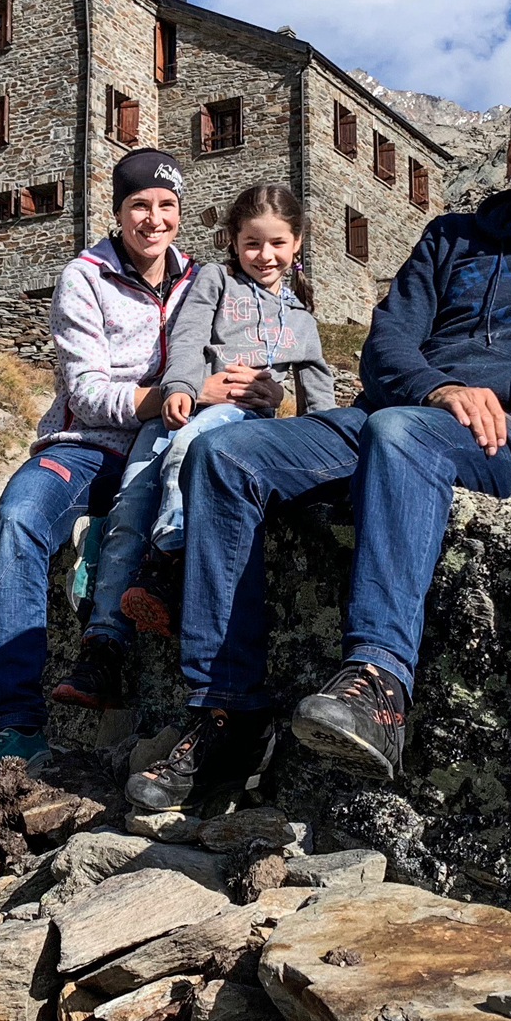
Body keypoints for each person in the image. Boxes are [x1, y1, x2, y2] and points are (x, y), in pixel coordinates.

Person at [125, 77, 511, 812]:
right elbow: (384, 347)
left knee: (396, 429)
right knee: (222, 455)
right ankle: (226, 708)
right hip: (402, 416)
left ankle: (379, 683)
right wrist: (438, 388)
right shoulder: (450, 237)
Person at [49, 183, 333, 712]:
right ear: (233, 241)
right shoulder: (213, 281)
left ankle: (164, 563)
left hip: (239, 425)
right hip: (179, 407)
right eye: (252, 244)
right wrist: (179, 387)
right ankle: (101, 648)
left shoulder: (301, 318)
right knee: (130, 503)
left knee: (190, 451)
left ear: (297, 244)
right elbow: (186, 338)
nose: (264, 256)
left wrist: (321, 446)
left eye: (276, 244)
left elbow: (317, 390)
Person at [0, 149, 196, 769]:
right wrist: (171, 397)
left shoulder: (203, 280)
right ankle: (17, 721)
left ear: (181, 212)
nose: (154, 220)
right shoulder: (85, 276)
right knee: (18, 517)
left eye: (166, 207)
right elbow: (87, 393)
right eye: (140, 207)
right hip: (88, 449)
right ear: (118, 211)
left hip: (166, 448)